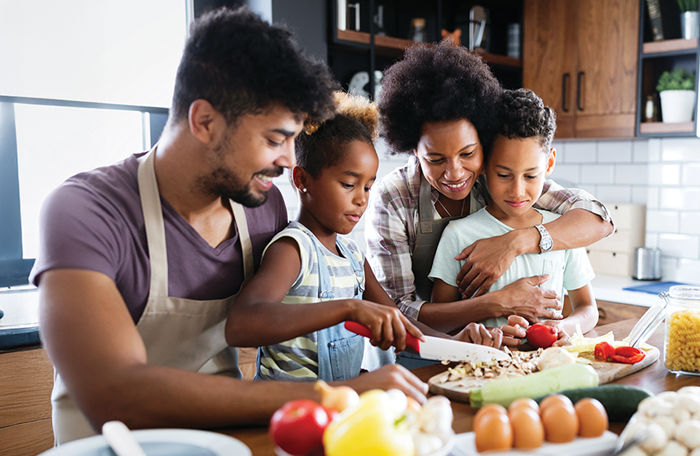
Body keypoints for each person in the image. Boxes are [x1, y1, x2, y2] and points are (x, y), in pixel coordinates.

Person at [31, 7, 428, 445]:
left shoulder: (263, 209)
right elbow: (117, 395)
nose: (288, 161)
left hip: (222, 443)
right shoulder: (84, 212)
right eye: (275, 139)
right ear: (204, 121)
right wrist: (337, 393)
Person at [226, 92, 504, 383]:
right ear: (302, 180)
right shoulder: (294, 249)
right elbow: (241, 324)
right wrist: (349, 307)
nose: (361, 200)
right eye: (349, 184)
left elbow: (400, 320)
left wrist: (457, 343)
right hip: (288, 410)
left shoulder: (352, 255)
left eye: (368, 187)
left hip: (339, 406)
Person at [366, 42, 614, 363]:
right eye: (436, 158)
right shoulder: (394, 197)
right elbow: (397, 309)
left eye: (467, 153)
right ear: (414, 149)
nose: (455, 172)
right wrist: (498, 303)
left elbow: (599, 218)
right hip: (416, 350)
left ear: (482, 148)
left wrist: (513, 243)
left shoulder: (501, 178)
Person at [430, 89, 598, 346]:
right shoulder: (458, 234)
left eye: (531, 176)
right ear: (484, 164)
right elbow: (440, 321)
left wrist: (564, 327)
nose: (517, 191)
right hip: (484, 369)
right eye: (504, 175)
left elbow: (587, 308)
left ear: (549, 164)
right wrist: (480, 333)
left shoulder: (561, 230)